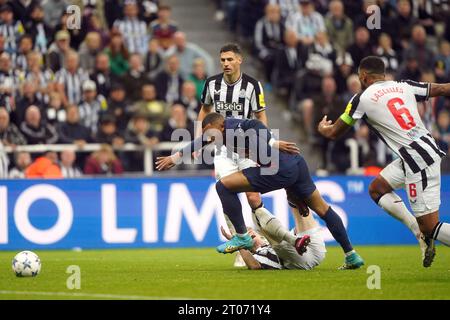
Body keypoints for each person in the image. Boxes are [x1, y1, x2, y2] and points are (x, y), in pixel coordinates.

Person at [156, 113, 364, 269]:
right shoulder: (219, 133)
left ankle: (242, 236)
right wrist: (174, 158)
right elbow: (197, 142)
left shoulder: (232, 125)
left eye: (209, 132)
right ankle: (351, 255)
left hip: (277, 168)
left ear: (218, 126)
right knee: (323, 209)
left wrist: (273, 141)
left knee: (223, 186)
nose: (207, 137)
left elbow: (254, 124)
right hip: (296, 165)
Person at [318, 56, 450, 268]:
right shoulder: (404, 86)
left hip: (417, 160)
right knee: (377, 189)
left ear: (363, 76)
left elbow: (334, 132)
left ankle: (423, 231)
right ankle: (418, 233)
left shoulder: (360, 99)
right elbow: (443, 89)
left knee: (430, 225)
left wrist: (323, 129)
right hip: (418, 153)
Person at [221, 195, 326, 270]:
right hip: (300, 261)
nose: (251, 232)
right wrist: (238, 242)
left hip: (315, 249)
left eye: (250, 231)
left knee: (294, 198)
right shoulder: (258, 256)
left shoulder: (266, 241)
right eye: (248, 233)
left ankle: (294, 189)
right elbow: (254, 266)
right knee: (263, 223)